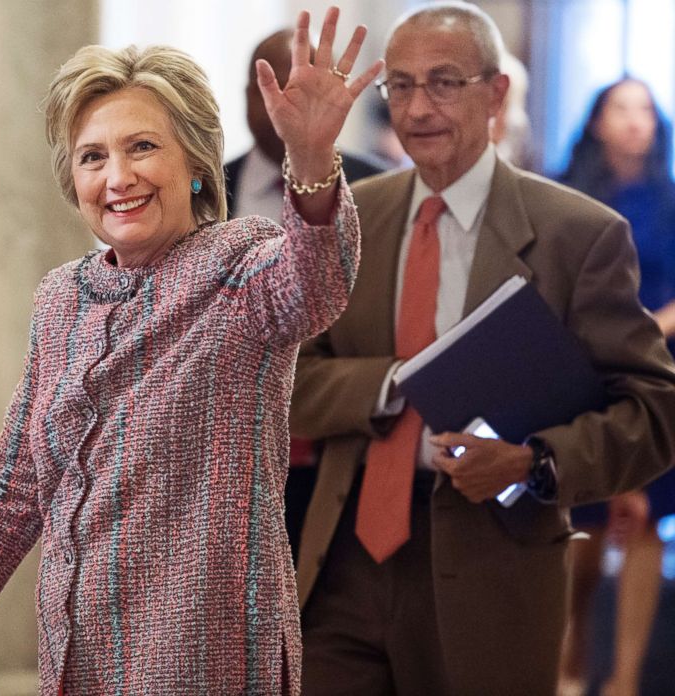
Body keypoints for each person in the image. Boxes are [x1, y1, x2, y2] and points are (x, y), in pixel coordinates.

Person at [0, 8, 383, 695]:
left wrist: (313, 158)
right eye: (93, 156)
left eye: (142, 147)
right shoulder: (61, 298)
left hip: (206, 656)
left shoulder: (240, 265)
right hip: (76, 655)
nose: (118, 177)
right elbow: (17, 482)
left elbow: (315, 285)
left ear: (197, 166)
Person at [288, 3, 675, 695]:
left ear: (496, 94)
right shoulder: (351, 218)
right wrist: (395, 382)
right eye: (399, 86)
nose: (418, 107)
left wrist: (535, 463)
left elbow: (653, 413)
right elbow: (284, 381)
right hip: (342, 564)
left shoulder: (578, 235)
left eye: (443, 82)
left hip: (491, 573)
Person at [224, 27, 383, 565]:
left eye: (297, 88)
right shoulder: (197, 189)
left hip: (337, 447)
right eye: (266, 86)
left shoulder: (371, 187)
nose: (281, 105)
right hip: (223, 454)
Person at [557, 77, 675, 696]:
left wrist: (643, 330)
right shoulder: (565, 193)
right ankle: (570, 660)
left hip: (657, 366)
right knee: (580, 514)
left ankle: (625, 677)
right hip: (581, 363)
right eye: (621, 108)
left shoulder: (673, 199)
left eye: (646, 110)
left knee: (649, 515)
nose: (635, 120)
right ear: (597, 121)